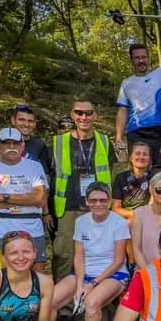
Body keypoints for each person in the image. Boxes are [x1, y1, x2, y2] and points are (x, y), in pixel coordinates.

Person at [49, 183, 130, 321]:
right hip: (85, 273)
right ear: (86, 202)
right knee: (51, 298)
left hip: (112, 274)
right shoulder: (81, 221)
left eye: (103, 200)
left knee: (92, 302)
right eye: (93, 200)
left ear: (109, 201)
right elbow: (79, 255)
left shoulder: (118, 222)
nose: (98, 204)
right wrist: (79, 285)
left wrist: (92, 284)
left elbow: (119, 260)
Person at [50, 99, 115, 280]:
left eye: (88, 113)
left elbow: (109, 173)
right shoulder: (58, 142)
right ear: (72, 115)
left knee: (97, 252)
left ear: (95, 115)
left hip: (97, 207)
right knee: (64, 254)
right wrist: (46, 211)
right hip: (68, 206)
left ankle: (90, 295)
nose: (83, 117)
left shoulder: (104, 141)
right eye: (79, 112)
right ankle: (64, 302)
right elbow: (50, 177)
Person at [115, 15, 161, 167]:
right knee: (138, 170)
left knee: (157, 170)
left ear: (148, 58)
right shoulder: (126, 83)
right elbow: (122, 111)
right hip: (135, 132)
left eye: (143, 57)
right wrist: (119, 136)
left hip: (157, 131)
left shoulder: (160, 75)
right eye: (137, 58)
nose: (141, 60)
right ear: (131, 60)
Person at [0, 127, 49, 271]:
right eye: (7, 143)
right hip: (0, 226)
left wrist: (3, 196)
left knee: (37, 273)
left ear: (22, 145)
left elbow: (40, 199)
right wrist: (28, 199)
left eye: (16, 143)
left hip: (31, 225)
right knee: (1, 274)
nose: (11, 147)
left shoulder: (34, 166)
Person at [111, 141, 154, 222]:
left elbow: (151, 206)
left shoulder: (154, 178)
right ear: (130, 158)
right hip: (124, 218)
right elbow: (116, 208)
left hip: (146, 219)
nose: (141, 157)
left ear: (149, 159)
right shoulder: (120, 178)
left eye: (145, 154)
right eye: (138, 153)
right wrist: (134, 215)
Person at [11, 104, 53, 179]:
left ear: (34, 124)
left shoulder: (39, 145)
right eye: (21, 120)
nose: (26, 124)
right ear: (13, 121)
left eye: (30, 121)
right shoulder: (1, 142)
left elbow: (44, 174)